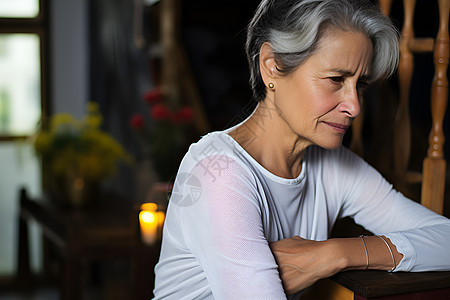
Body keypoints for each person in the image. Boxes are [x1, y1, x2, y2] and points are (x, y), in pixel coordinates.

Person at [153, 0, 450, 299]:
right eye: (336, 79)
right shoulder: (218, 173)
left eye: (360, 84)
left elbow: (446, 240)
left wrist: (335, 253)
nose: (354, 106)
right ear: (272, 66)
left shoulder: (332, 166)